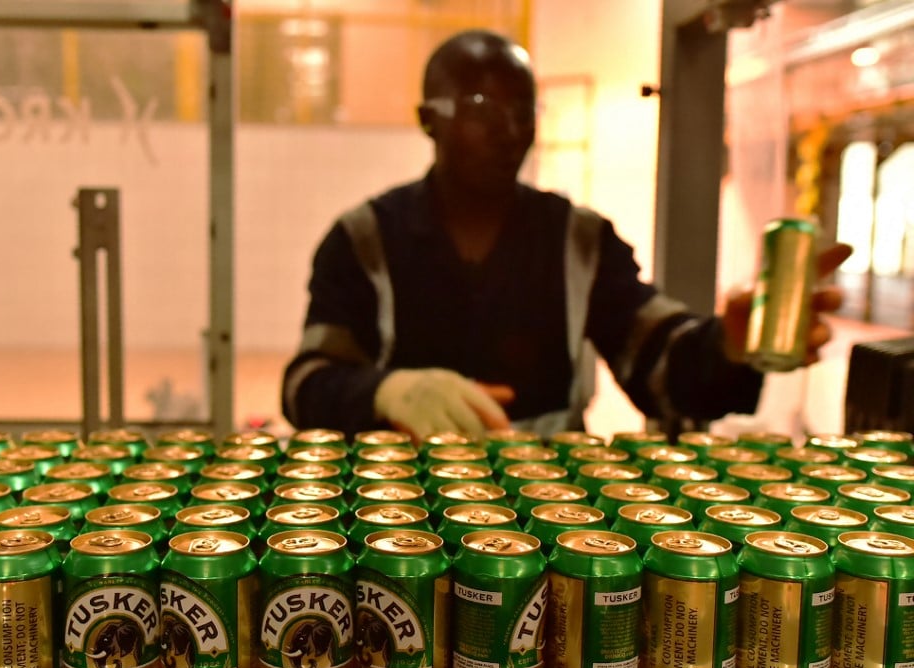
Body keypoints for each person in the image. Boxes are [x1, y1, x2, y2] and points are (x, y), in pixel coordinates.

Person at [280, 28, 850, 442]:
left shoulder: (577, 238)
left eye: (523, 109)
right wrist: (387, 392)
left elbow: (658, 364)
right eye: (482, 107)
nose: (509, 131)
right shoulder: (364, 238)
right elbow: (307, 384)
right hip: (402, 513)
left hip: (549, 511)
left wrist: (729, 347)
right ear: (429, 118)